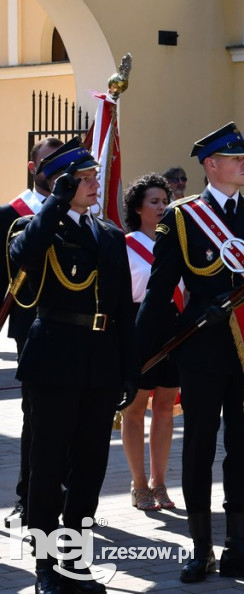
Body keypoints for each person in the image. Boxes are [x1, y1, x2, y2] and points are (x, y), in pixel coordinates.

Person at [136, 122, 244, 583]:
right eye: (235, 157)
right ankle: (200, 548)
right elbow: (160, 293)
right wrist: (139, 359)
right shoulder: (182, 219)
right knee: (200, 447)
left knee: (243, 448)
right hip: (201, 352)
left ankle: (238, 545)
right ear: (211, 165)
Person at [10, 137, 136, 593]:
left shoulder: (108, 234)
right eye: (83, 179)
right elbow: (23, 258)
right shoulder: (37, 226)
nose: (93, 185)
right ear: (61, 183)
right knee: (47, 466)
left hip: (100, 361)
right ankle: (47, 565)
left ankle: (75, 561)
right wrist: (54, 204)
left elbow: (122, 306)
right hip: (54, 359)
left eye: (93, 177)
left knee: (90, 467)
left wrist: (128, 367)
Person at [1, 136, 61, 532]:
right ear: (32, 167)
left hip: (76, 328)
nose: (57, 168)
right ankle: (29, 495)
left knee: (73, 416)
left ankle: (65, 491)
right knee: (35, 414)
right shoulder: (9, 214)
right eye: (49, 161)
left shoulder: (84, 213)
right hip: (30, 326)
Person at [120, 174, 184, 513]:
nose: (161, 207)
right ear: (137, 207)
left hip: (173, 328)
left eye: (165, 201)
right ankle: (139, 483)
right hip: (138, 328)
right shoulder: (125, 245)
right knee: (135, 406)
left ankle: (160, 482)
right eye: (154, 202)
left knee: (164, 406)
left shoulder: (179, 239)